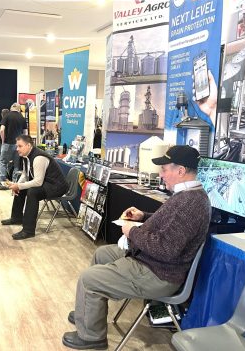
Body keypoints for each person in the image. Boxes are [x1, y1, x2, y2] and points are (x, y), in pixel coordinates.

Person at [62, 145, 211, 350]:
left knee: (89, 280)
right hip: (151, 262)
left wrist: (132, 231)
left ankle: (92, 337)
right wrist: (144, 216)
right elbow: (170, 226)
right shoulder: (187, 196)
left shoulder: (191, 202)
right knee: (101, 254)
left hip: (158, 273)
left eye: (165, 169)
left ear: (181, 171)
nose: (161, 174)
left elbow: (166, 249)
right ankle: (87, 313)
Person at [1, 135, 68, 240]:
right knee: (22, 188)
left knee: (33, 192)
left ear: (28, 145)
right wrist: (17, 186)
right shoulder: (25, 155)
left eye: (20, 146)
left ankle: (28, 230)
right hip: (46, 183)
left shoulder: (39, 158)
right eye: (17, 146)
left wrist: (18, 185)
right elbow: (24, 174)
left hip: (57, 186)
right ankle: (16, 218)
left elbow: (37, 182)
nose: (17, 149)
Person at [0, 103, 27, 190]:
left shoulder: (7, 116)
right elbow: (25, 134)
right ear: (19, 109)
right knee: (16, 164)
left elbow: (1, 130)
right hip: (19, 145)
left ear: (11, 108)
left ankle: (3, 183)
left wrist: (3, 140)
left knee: (3, 162)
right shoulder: (22, 118)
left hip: (8, 144)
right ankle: (14, 184)